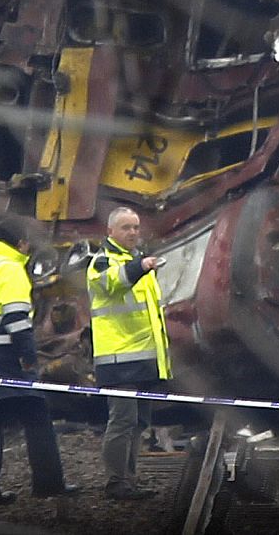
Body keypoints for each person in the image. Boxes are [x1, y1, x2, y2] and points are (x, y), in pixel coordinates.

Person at [0, 215, 76, 508]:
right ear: (21, 243)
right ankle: (48, 484)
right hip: (4, 356)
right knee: (36, 413)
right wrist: (28, 357)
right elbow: (17, 320)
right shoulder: (10, 269)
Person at [87, 206, 172, 500]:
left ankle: (128, 481)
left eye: (136, 227)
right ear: (110, 231)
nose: (133, 233)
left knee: (139, 423)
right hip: (118, 360)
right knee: (122, 421)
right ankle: (115, 482)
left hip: (143, 358)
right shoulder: (102, 262)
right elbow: (112, 282)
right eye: (126, 228)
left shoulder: (138, 261)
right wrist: (141, 267)